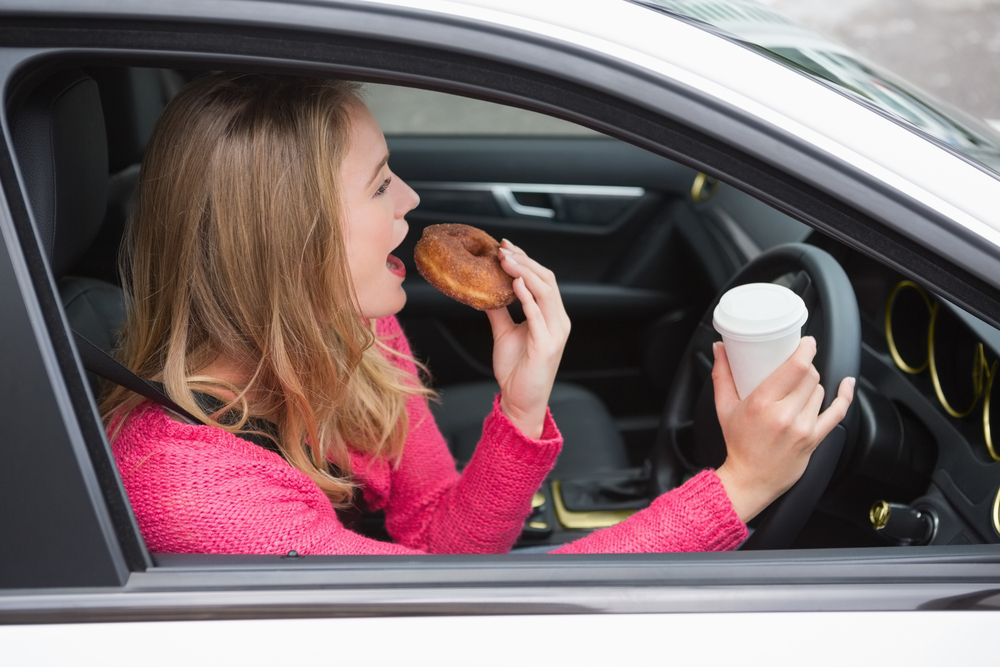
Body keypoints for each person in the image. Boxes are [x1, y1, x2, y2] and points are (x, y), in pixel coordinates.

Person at [103, 73, 855, 556]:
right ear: (288, 242)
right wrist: (743, 485)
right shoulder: (191, 490)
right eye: (378, 186)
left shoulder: (353, 330)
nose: (411, 202)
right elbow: (463, 611)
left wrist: (522, 405)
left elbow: (442, 547)